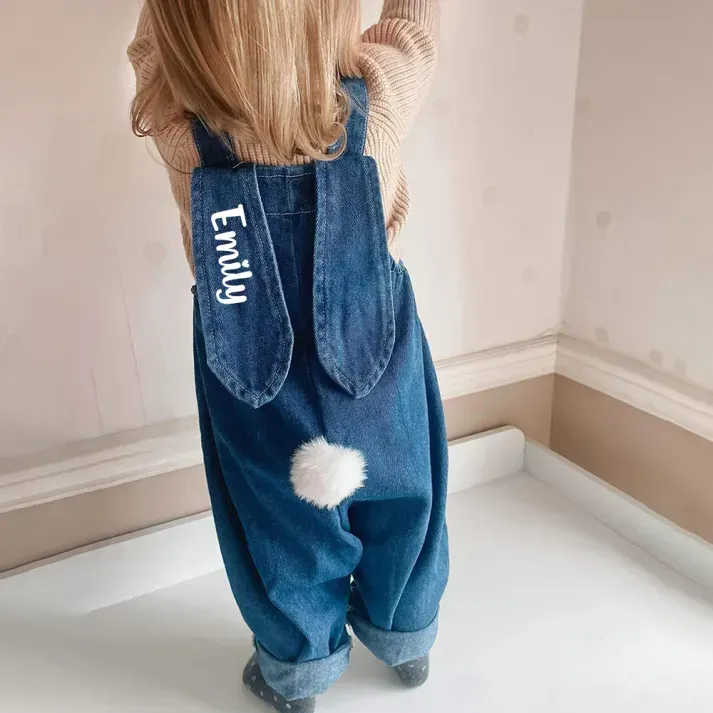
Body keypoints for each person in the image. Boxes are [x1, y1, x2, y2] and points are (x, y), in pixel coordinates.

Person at [128, 1, 447, 710]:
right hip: (374, 346)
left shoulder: (176, 123)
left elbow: (150, 54)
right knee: (405, 492)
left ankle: (298, 667)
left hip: (247, 361)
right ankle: (406, 635)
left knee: (274, 517)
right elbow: (415, 34)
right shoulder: (380, 94)